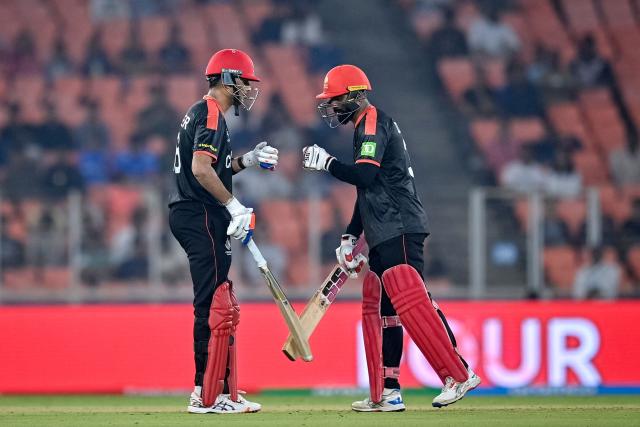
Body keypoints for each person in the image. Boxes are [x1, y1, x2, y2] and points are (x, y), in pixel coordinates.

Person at [301, 65, 480, 412]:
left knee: (413, 299)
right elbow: (367, 190)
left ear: (354, 95)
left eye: (336, 100)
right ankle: (389, 390)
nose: (333, 107)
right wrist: (350, 235)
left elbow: (365, 176)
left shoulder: (372, 122)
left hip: (399, 224)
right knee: (386, 310)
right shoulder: (363, 126)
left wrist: (328, 164)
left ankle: (458, 373)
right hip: (384, 226)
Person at [168, 48, 278, 414]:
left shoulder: (203, 112)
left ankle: (222, 389)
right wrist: (233, 205)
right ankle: (205, 393)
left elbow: (215, 166)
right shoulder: (212, 114)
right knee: (212, 304)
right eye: (245, 82)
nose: (248, 89)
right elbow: (201, 169)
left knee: (221, 302)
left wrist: (246, 160)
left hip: (195, 211)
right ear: (229, 79)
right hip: (199, 212)